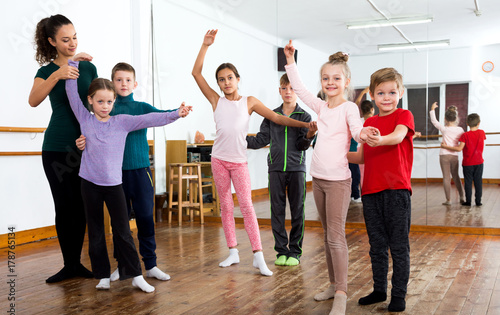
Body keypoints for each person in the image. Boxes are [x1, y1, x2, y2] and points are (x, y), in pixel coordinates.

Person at [192, 29, 312, 277]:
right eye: (221, 79)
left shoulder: (250, 101)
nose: (226, 82)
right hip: (218, 160)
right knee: (226, 206)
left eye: (230, 78)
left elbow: (277, 117)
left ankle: (258, 255)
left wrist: (305, 125)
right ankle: (233, 251)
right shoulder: (216, 100)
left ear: (238, 79)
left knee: (246, 205)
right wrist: (205, 45)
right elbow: (196, 73)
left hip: (238, 162)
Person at [66, 59, 191, 291]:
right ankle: (102, 274)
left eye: (109, 102)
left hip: (115, 183)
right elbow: (71, 93)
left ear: (115, 101)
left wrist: (176, 113)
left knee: (124, 230)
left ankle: (137, 273)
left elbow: (153, 118)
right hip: (89, 184)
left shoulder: (122, 121)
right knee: (95, 231)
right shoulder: (85, 119)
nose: (105, 106)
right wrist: (72, 62)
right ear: (90, 101)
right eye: (100, 101)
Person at [284, 40, 373, 315]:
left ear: (346, 81)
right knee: (327, 236)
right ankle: (334, 285)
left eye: (336, 78)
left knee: (336, 237)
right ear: (322, 82)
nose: (330, 82)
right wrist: (290, 59)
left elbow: (357, 131)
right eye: (326, 78)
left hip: (338, 182)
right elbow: (299, 88)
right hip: (318, 180)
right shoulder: (321, 107)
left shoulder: (349, 108)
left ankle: (342, 294)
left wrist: (365, 136)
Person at [29, 14, 96, 283]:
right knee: (64, 205)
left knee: (81, 205)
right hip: (56, 148)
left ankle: (77, 264)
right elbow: (33, 100)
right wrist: (59, 72)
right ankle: (69, 264)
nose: (72, 43)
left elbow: (98, 104)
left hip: (84, 146)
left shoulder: (88, 68)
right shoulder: (45, 72)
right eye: (65, 40)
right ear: (51, 41)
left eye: (74, 37)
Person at [349, 67, 415, 312]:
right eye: (380, 93)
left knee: (398, 246)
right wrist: (332, 152)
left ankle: (399, 295)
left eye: (391, 92)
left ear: (400, 92)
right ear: (371, 95)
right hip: (370, 193)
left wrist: (380, 139)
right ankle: (379, 290)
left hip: (397, 191)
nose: (386, 97)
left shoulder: (404, 115)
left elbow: (397, 137)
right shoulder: (369, 122)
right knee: (376, 245)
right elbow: (361, 157)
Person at [246, 74, 314, 267]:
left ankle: (295, 251)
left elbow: (302, 145)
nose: (288, 92)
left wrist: (310, 135)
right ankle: (281, 251)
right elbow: (261, 140)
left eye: (292, 88)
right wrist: (238, 138)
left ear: (297, 92)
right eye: (284, 88)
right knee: (276, 211)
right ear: (279, 90)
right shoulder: (271, 115)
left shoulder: (305, 117)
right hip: (275, 169)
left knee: (297, 211)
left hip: (296, 170)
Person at [441, 113, 485, 206]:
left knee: (468, 182)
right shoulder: (482, 133)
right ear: (478, 123)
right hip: (479, 162)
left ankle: (468, 201)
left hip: (468, 163)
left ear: (467, 124)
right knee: (478, 181)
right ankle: (478, 201)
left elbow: (459, 148)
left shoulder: (465, 135)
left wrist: (445, 146)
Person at [429, 102, 465, 205]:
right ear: (456, 118)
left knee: (446, 177)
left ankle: (448, 200)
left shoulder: (444, 129)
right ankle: (462, 196)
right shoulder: (460, 130)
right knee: (456, 176)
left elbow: (434, 121)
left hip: (444, 155)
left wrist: (432, 109)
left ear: (445, 119)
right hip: (454, 156)